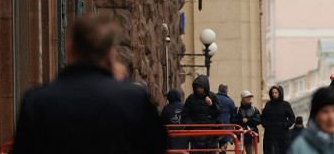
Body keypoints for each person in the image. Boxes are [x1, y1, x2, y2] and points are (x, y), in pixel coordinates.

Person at [12, 14, 167, 154]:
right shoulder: (133, 99)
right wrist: (123, 84)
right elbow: (156, 145)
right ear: (111, 56)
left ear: (71, 49)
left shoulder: (36, 101)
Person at [183, 74, 223, 154]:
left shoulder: (213, 96)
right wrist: (191, 125)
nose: (198, 89)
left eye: (200, 87)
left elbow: (219, 112)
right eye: (197, 87)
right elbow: (185, 114)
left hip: (210, 132)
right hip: (196, 133)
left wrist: (211, 105)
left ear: (205, 87)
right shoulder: (191, 98)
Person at [261, 85, 295, 154]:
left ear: (280, 93)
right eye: (273, 93)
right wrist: (266, 125)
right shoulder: (268, 104)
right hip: (270, 135)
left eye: (276, 92)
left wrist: (284, 125)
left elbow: (292, 118)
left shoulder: (285, 104)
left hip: (282, 135)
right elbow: (263, 117)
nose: (274, 94)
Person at [217, 84, 237, 151]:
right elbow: (234, 115)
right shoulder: (230, 101)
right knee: (223, 149)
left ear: (218, 90)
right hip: (226, 128)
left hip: (214, 127)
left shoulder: (214, 98)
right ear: (227, 91)